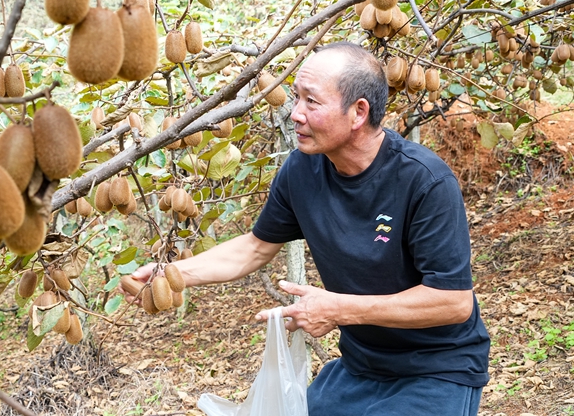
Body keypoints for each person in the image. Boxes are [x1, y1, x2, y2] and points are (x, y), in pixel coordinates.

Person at [122, 41, 490, 415]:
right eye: (296, 98)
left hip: (438, 369)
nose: (295, 113)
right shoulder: (300, 171)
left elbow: (453, 302)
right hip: (360, 365)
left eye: (311, 102)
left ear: (358, 112)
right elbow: (254, 248)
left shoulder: (424, 180)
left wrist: (339, 310)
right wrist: (168, 274)